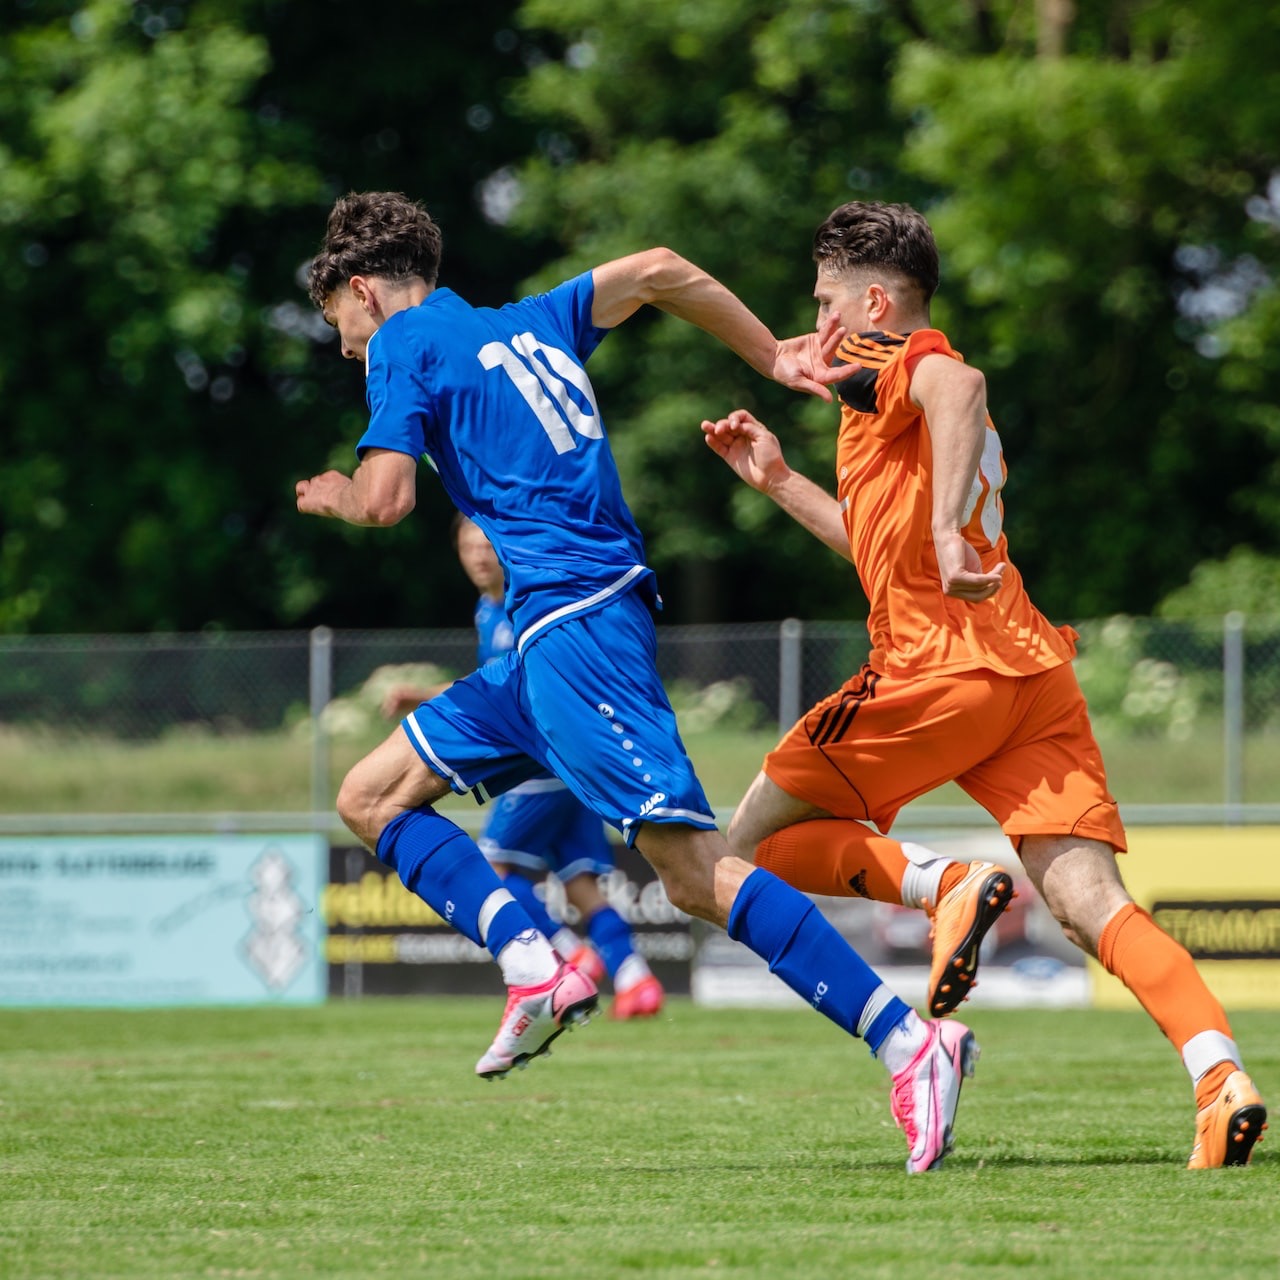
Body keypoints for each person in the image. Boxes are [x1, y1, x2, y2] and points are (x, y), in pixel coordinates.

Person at [296, 190, 975, 1173]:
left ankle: (910, 1040)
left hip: (576, 627)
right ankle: (535, 964)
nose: (355, 355)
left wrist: (338, 497)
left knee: (693, 874)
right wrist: (770, 354)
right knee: (368, 795)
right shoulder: (527, 322)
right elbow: (657, 264)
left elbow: (389, 497)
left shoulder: (407, 343)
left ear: (365, 290)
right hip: (534, 645)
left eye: (344, 335)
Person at [700, 199, 1268, 1171]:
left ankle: (942, 882)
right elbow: (876, 549)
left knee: (735, 847)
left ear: (873, 299)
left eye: (826, 302)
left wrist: (940, 530)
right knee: (1093, 903)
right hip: (1026, 671)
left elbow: (959, 387)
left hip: (936, 665)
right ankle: (1219, 1075)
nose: (817, 324)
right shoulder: (874, 399)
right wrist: (780, 482)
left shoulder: (903, 357)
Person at [381, 512, 665, 1019]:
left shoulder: (524, 605)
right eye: (467, 546)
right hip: (571, 768)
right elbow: (489, 689)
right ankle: (635, 979)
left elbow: (521, 693)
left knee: (492, 868)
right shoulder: (485, 611)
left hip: (537, 766)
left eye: (485, 544)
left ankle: (565, 953)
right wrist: (421, 694)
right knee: (580, 882)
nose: (477, 555)